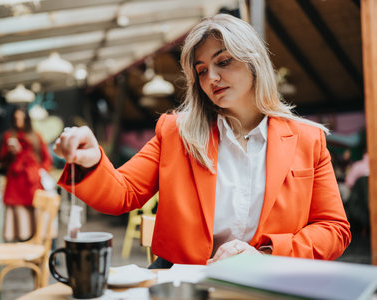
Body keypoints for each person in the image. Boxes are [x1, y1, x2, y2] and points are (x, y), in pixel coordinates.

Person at [54, 14, 351, 268]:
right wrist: (92, 160)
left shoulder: (307, 139)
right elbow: (123, 194)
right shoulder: (175, 132)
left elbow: (334, 229)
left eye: (223, 61)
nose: (212, 78)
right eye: (202, 70)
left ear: (254, 62)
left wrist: (268, 253)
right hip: (184, 281)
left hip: (268, 278)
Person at [0, 107, 52, 241]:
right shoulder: (9, 136)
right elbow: (2, 159)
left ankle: (38, 247)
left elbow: (47, 159)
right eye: (16, 118)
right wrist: (11, 152)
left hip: (33, 181)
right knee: (19, 217)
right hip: (16, 181)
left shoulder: (36, 136)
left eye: (21, 118)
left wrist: (41, 172)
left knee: (37, 214)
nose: (19, 122)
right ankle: (22, 248)